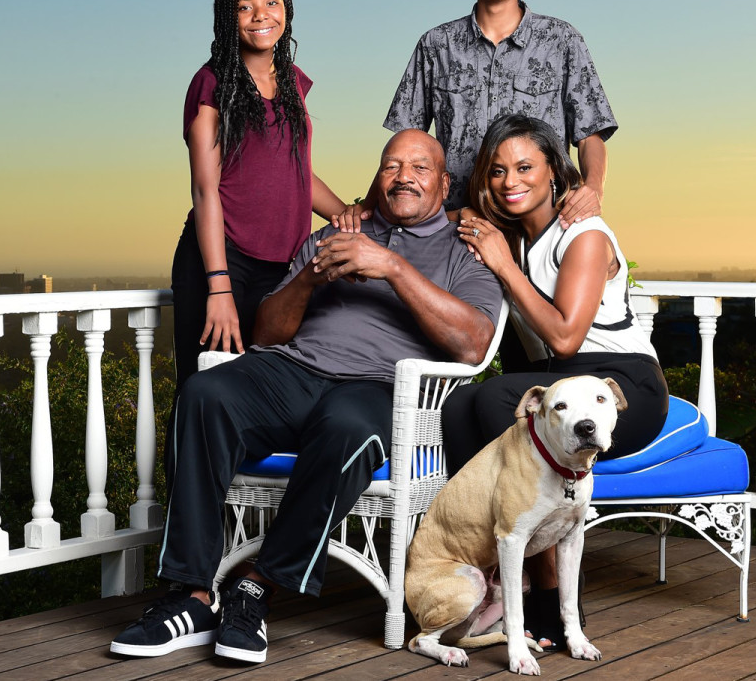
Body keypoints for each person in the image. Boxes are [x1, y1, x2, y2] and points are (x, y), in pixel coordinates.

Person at [111, 129, 503, 664]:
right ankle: (192, 594)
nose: (403, 176)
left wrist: (391, 267)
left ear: (443, 182)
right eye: (392, 165)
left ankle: (257, 585)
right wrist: (309, 279)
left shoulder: (465, 248)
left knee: (345, 428)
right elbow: (267, 334)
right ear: (377, 176)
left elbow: (474, 341)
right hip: (293, 370)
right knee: (205, 393)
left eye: (419, 167)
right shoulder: (335, 233)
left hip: (380, 386)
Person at [443, 113, 668, 649]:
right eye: (497, 171)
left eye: (525, 167)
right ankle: (491, 574)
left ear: (554, 173)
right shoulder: (516, 237)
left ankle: (550, 594)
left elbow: (566, 339)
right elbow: (431, 208)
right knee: (461, 406)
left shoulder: (583, 234)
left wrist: (501, 263)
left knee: (500, 399)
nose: (510, 181)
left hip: (621, 385)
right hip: (560, 384)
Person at [172, 0, 349, 394]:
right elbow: (204, 189)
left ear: (285, 9)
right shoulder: (211, 83)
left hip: (284, 268)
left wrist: (344, 212)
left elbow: (294, 170)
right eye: (244, 7)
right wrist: (219, 288)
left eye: (271, 2)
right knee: (205, 395)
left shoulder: (290, 82)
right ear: (227, 18)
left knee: (263, 395)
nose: (260, 15)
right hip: (223, 261)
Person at [384, 0, 616, 229]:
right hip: (459, 226)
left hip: (544, 224)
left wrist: (593, 188)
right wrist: (367, 209)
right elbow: (405, 142)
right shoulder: (435, 44)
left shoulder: (562, 40)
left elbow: (590, 133)